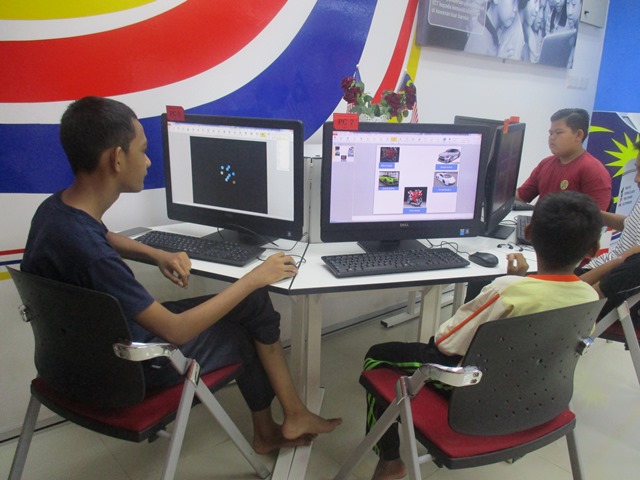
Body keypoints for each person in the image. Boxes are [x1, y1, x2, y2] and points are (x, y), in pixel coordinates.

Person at [21, 96, 341, 455]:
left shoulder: (54, 213)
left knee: (251, 302)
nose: (148, 161)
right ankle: (268, 432)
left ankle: (294, 414)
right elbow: (176, 331)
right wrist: (254, 276)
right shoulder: (96, 259)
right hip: (128, 366)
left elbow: (103, 236)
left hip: (75, 357)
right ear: (116, 159)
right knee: (243, 327)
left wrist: (155, 253)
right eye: (143, 151)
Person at [362, 191, 602, 480]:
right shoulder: (590, 297)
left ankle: (390, 459)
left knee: (377, 355)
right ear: (593, 249)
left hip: (475, 399)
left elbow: (445, 343)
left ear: (528, 233)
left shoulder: (507, 290)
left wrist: (513, 282)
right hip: (540, 397)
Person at [579, 140, 640, 321]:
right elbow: (629, 225)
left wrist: (571, 289)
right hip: (603, 271)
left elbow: (629, 263)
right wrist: (592, 211)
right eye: (637, 169)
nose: (636, 179)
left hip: (606, 291)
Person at [516, 108, 612, 211]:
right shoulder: (545, 163)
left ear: (578, 135)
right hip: (540, 219)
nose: (552, 138)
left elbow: (596, 217)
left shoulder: (593, 171)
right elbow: (521, 196)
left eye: (558, 133)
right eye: (551, 133)